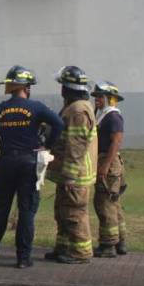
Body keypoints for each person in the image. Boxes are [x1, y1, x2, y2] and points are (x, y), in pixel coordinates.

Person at [0, 65, 64, 269]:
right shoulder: (37, 107)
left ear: (10, 87)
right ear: (27, 87)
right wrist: (48, 145)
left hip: (5, 163)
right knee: (26, 211)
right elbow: (59, 124)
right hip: (28, 163)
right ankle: (23, 258)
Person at [45, 65, 98, 264]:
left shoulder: (78, 110)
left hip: (76, 175)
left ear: (67, 88)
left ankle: (81, 252)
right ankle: (63, 247)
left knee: (75, 213)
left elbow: (76, 146)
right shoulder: (75, 107)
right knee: (63, 211)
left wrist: (69, 175)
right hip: (70, 173)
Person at [91, 81, 128, 257]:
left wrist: (104, 166)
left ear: (109, 99)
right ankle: (120, 242)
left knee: (104, 204)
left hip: (108, 164)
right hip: (106, 162)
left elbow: (116, 142)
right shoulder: (103, 115)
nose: (96, 100)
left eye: (99, 97)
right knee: (113, 205)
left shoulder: (113, 116)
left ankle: (107, 245)